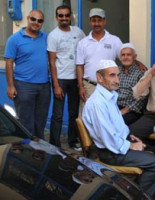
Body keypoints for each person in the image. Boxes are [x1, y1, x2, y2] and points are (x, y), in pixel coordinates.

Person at [82, 60, 155, 199]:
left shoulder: (109, 96)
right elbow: (108, 139)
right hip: (111, 152)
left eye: (118, 75)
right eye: (112, 76)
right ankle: (140, 197)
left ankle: (146, 193)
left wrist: (130, 137)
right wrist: (131, 145)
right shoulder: (98, 103)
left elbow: (117, 128)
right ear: (100, 77)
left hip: (117, 145)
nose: (117, 80)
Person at [4, 10, 50, 139]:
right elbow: (9, 63)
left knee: (40, 121)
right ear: (28, 18)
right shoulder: (15, 39)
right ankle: (26, 151)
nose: (36, 23)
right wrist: (10, 86)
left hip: (44, 86)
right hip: (24, 86)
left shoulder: (45, 38)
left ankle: (39, 149)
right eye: (33, 19)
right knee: (25, 122)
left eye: (40, 21)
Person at [47, 5, 85, 150]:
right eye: (61, 16)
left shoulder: (78, 32)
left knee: (73, 112)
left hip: (75, 78)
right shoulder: (53, 35)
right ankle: (54, 144)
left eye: (66, 15)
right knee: (57, 114)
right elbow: (51, 61)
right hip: (61, 79)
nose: (64, 18)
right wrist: (55, 84)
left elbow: (85, 51)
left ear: (71, 17)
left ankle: (72, 140)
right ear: (57, 17)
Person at [76, 8, 123, 114]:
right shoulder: (83, 43)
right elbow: (79, 66)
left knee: (106, 116)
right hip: (89, 87)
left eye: (99, 20)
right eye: (94, 20)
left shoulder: (114, 40)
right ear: (90, 22)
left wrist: (138, 63)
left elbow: (125, 58)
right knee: (87, 118)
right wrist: (81, 86)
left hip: (108, 87)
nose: (96, 23)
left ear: (104, 21)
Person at [117, 43, 147, 125]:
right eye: (123, 55)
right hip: (116, 107)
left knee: (117, 123)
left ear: (135, 57)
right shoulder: (116, 71)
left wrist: (125, 110)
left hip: (132, 110)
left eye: (128, 55)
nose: (125, 57)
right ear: (120, 57)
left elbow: (142, 98)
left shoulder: (141, 73)